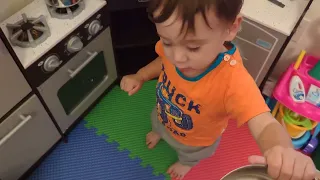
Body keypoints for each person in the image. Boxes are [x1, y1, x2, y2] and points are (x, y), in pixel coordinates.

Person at [120, 0, 317, 179]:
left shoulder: (233, 81)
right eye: (167, 42)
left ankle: (186, 163)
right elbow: (163, 60)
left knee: (189, 154)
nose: (177, 58)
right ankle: (160, 133)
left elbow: (264, 122)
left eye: (193, 47)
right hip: (164, 112)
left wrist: (281, 149)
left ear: (231, 28)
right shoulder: (174, 48)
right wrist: (141, 75)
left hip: (196, 140)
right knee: (158, 124)